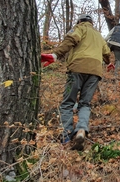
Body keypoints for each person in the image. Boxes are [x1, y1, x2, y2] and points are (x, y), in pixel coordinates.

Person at [40, 14, 111, 151]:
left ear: (80, 21)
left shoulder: (79, 28)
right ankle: (81, 131)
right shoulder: (98, 35)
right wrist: (108, 62)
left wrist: (55, 55)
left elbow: (72, 39)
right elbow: (107, 53)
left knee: (67, 103)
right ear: (91, 22)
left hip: (77, 68)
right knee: (85, 103)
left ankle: (66, 136)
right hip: (95, 71)